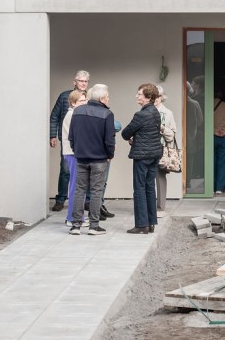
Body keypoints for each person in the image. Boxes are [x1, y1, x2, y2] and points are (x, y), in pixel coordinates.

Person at [68, 83, 116, 235]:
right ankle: (94, 226)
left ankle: (76, 225)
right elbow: (109, 140)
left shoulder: (77, 111)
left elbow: (71, 136)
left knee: (79, 190)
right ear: (101, 98)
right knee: (96, 191)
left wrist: (77, 150)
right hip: (99, 159)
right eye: (107, 97)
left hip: (81, 157)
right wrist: (110, 155)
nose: (108, 99)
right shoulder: (107, 114)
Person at [122, 83, 163, 234]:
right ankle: (151, 223)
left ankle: (141, 225)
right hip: (154, 154)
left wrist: (133, 138)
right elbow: (149, 132)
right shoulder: (155, 112)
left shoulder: (141, 115)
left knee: (139, 188)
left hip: (142, 155)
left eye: (139, 94)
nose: (136, 96)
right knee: (150, 187)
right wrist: (138, 137)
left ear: (148, 97)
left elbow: (126, 133)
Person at [49, 69, 90, 211]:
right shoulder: (64, 97)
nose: (83, 83)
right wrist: (52, 135)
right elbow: (54, 116)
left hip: (86, 141)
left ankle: (87, 201)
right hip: (67, 140)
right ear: (74, 82)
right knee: (65, 170)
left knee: (87, 170)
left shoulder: (90, 97)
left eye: (86, 81)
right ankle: (61, 199)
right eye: (81, 81)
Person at [62, 88, 87, 225]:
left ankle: (78, 216)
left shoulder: (75, 114)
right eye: (81, 101)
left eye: (85, 100)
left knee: (79, 185)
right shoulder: (72, 115)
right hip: (73, 153)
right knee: (76, 186)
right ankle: (72, 217)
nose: (84, 103)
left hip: (74, 152)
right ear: (73, 103)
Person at [155, 84, 178, 219]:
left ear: (162, 97)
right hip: (147, 148)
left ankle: (160, 207)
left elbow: (172, 135)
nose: (156, 98)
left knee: (160, 177)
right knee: (146, 178)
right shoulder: (145, 110)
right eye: (153, 96)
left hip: (161, 149)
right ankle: (147, 208)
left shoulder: (168, 113)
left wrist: (162, 128)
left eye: (158, 96)